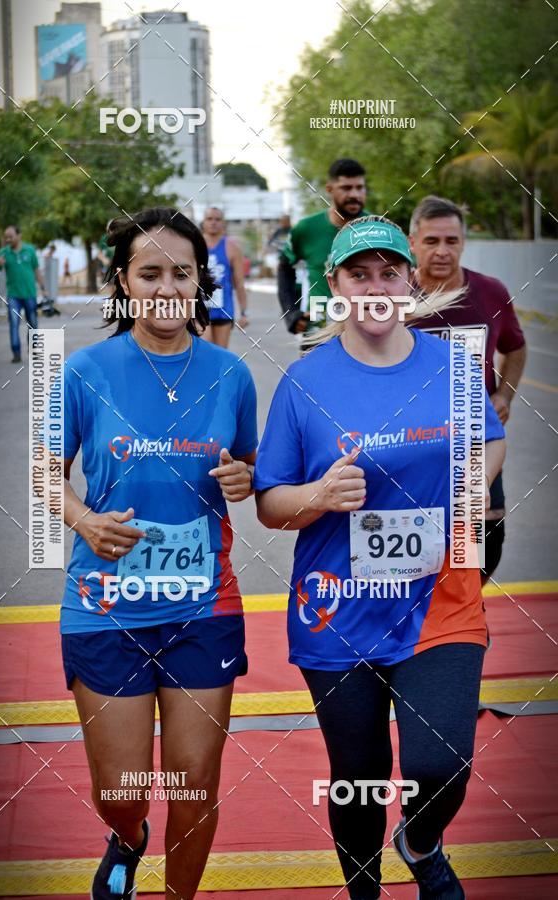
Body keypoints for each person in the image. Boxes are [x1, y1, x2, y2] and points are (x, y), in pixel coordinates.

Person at [255, 216, 505, 900]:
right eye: (358, 274)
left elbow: (488, 439)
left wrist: (475, 483)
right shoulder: (305, 383)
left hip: (441, 601)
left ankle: (421, 844)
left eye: (389, 272)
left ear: (410, 281)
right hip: (338, 612)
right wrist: (317, 493)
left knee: (442, 762)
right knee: (358, 772)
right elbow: (270, 504)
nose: (375, 287)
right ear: (334, 284)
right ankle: (363, 887)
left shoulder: (450, 365)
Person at [55, 207, 257, 899]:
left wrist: (246, 476)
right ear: (123, 282)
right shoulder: (83, 370)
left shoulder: (231, 373)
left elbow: (254, 470)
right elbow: (39, 471)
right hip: (104, 605)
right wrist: (83, 519)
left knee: (194, 786)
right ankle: (127, 835)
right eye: (151, 272)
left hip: (203, 607)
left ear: (201, 281)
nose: (167, 286)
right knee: (121, 790)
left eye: (182, 272)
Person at [408, 195, 526, 583]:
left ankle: (467, 616)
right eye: (431, 241)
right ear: (413, 243)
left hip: (473, 443)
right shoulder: (395, 296)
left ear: (463, 242)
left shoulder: (490, 292)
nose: (442, 251)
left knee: (483, 540)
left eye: (452, 241)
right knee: (414, 540)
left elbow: (515, 348)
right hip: (410, 443)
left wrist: (504, 395)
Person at [277, 158, 370, 338]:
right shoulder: (306, 229)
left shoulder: (377, 228)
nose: (355, 194)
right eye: (346, 188)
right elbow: (284, 268)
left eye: (360, 187)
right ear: (329, 189)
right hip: (319, 331)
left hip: (366, 330)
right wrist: (291, 314)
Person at [0, 226, 48, 363]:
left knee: (33, 323)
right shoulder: (3, 252)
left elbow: (36, 270)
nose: (8, 239)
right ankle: (16, 353)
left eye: (11, 236)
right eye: (6, 237)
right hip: (13, 296)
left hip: (29, 294)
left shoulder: (30, 250)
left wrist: (43, 288)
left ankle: (34, 351)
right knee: (14, 323)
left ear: (19, 235)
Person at [201, 207, 248, 347]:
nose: (213, 222)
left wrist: (244, 312)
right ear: (203, 222)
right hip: (200, 306)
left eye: (217, 219)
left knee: (221, 353)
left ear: (223, 223)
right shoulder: (194, 245)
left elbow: (239, 283)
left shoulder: (232, 248)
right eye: (209, 219)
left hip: (223, 308)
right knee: (205, 349)